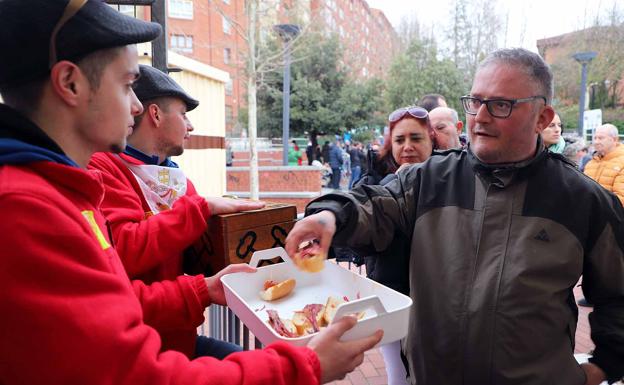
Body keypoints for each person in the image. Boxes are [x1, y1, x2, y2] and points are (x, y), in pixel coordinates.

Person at [0, 1, 382, 384]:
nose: (135, 106)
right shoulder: (26, 210)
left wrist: (204, 289)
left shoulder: (61, 193)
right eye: (128, 84)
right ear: (70, 83)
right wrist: (303, 366)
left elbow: (114, 303)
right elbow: (139, 375)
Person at [286, 48, 624, 385]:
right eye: (476, 102)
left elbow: (618, 296)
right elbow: (371, 203)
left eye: (500, 105)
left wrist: (603, 366)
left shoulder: (584, 200)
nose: (481, 117)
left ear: (542, 117)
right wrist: (330, 215)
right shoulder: (428, 179)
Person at [88, 64, 263, 359]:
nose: (190, 126)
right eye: (183, 115)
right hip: (137, 349)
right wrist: (201, 208)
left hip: (176, 338)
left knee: (251, 362)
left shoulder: (176, 179)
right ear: (155, 114)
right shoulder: (104, 167)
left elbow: (195, 247)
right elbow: (124, 248)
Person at [355, 105, 435, 385]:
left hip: (437, 302)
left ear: (432, 140)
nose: (408, 147)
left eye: (416, 138)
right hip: (391, 297)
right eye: (400, 140)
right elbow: (358, 242)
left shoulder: (451, 184)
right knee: (397, 373)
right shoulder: (375, 182)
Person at [584, 123, 624, 205]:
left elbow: (621, 200)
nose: (596, 142)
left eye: (601, 138)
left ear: (614, 140)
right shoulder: (591, 163)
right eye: (595, 138)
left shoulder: (622, 162)